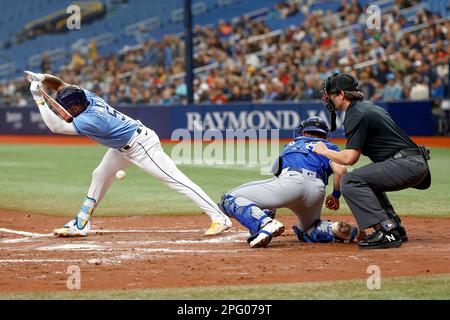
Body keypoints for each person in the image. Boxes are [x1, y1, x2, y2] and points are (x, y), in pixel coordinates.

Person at [24, 71, 232, 237]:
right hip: (122, 147)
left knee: (175, 180)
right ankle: (81, 223)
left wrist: (39, 99)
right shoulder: (86, 96)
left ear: (77, 106)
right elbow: (60, 85)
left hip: (141, 145)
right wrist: (42, 78)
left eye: (69, 108)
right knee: (99, 175)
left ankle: (219, 217)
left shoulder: (90, 120)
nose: (66, 110)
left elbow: (55, 126)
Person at [314, 73, 431, 249]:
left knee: (350, 180)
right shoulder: (366, 107)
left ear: (341, 94)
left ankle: (386, 230)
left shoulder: (356, 113)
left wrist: (324, 151)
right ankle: (394, 226)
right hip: (412, 162)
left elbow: (350, 158)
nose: (327, 99)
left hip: (407, 163)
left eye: (330, 94)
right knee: (364, 177)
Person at [218, 116, 358, 248]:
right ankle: (334, 229)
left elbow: (276, 175)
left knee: (229, 199)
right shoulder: (329, 148)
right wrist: (335, 195)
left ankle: (264, 223)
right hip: (316, 189)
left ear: (303, 132)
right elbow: (341, 171)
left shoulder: (292, 144)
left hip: (291, 182)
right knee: (308, 230)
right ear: (325, 135)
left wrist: (269, 209)